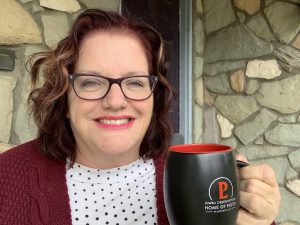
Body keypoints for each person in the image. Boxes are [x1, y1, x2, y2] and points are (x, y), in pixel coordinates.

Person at [0, 9, 280, 225]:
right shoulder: (7, 178)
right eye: (91, 82)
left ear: (154, 97)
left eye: (134, 83)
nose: (114, 101)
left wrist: (255, 214)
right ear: (64, 94)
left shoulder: (193, 182)